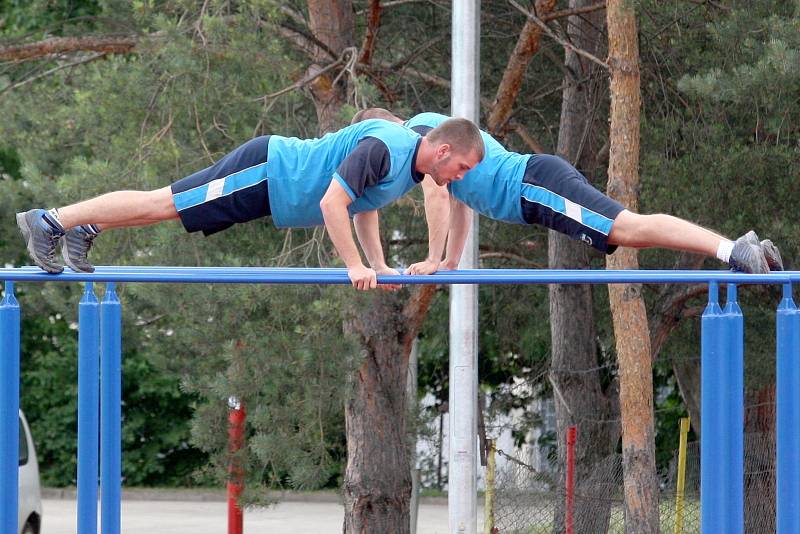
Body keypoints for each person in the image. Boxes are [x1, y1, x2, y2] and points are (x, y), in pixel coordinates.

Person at [16, 117, 484, 290]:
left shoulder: (410, 166)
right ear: (443, 150)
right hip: (267, 170)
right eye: (460, 169)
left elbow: (364, 206)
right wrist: (353, 267)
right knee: (166, 204)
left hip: (273, 190)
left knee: (168, 207)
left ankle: (85, 228)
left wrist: (377, 266)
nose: (458, 179)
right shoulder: (388, 148)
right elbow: (332, 204)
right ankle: (53, 220)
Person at [352, 108, 783, 275]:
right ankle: (739, 250)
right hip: (535, 185)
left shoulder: (417, 137)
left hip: (534, 186)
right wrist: (449, 261)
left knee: (628, 229)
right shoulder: (432, 146)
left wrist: (429, 260)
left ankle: (733, 250)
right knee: (627, 230)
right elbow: (458, 200)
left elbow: (437, 197)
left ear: (385, 126)